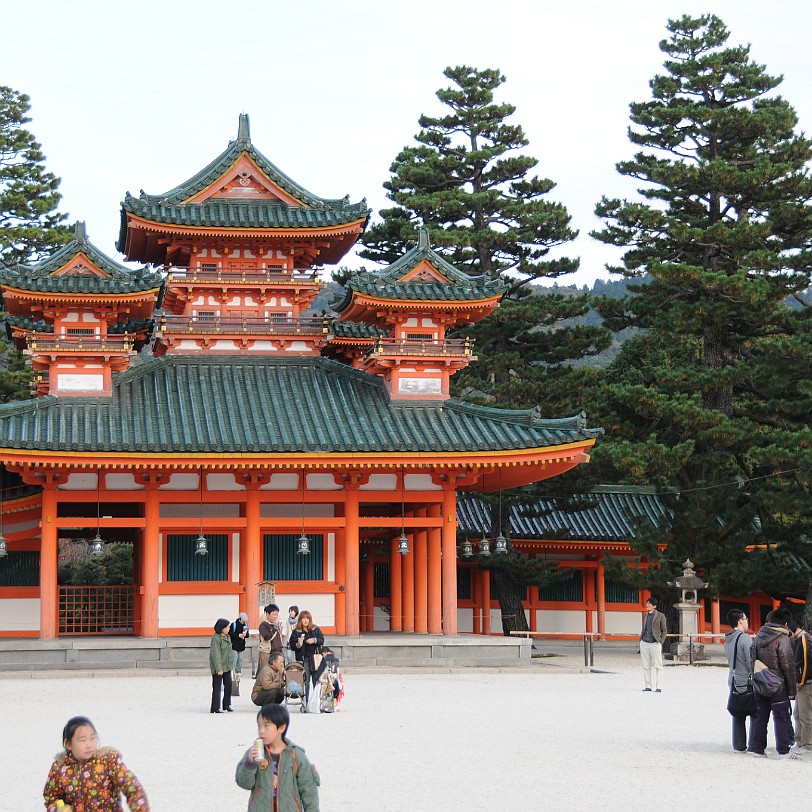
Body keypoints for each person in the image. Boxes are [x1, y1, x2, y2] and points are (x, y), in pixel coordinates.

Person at [43, 715, 150, 811]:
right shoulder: (60, 768)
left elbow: (133, 788)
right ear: (68, 744)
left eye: (92, 738)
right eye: (82, 740)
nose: (89, 745)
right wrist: (59, 808)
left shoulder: (108, 761)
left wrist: (140, 808)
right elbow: (51, 797)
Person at [235, 703, 320, 811]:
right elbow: (244, 784)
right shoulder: (254, 753)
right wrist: (250, 764)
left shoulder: (296, 755)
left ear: (281, 727)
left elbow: (309, 791)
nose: (261, 731)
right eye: (259, 725)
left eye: (266, 726)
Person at [748, 605, 798, 758]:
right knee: (781, 717)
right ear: (786, 624)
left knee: (760, 717)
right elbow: (788, 667)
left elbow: (751, 661)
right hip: (778, 685)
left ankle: (757, 748)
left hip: (760, 682)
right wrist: (791, 691)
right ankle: (783, 750)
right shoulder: (782, 639)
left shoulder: (757, 636)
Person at [724, 608, 752, 752]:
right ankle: (754, 743)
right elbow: (750, 662)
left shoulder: (728, 639)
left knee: (738, 713)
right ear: (740, 620)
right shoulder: (745, 639)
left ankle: (739, 744)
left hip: (733, 679)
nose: (747, 622)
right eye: (746, 619)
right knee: (755, 712)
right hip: (746, 680)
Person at [289, 610, 324, 700]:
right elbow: (292, 645)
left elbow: (322, 639)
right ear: (300, 620)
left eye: (307, 618)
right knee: (306, 680)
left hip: (315, 658)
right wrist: (299, 644)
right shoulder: (296, 632)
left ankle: (316, 700)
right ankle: (307, 701)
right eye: (303, 618)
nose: (305, 620)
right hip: (304, 659)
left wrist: (314, 640)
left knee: (316, 680)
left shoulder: (315, 629)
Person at [790, 621, 812, 756]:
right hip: (802, 683)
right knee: (798, 714)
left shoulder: (804, 638)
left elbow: (806, 663)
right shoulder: (801, 638)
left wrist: (800, 681)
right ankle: (799, 741)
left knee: (806, 715)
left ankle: (808, 744)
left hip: (806, 683)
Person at [639, 596, 667, 692]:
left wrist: (660, 641)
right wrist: (641, 639)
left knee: (658, 665)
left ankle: (659, 686)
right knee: (646, 665)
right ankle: (648, 686)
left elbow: (664, 630)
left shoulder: (660, 616)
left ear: (654, 606)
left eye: (649, 604)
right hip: (644, 642)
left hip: (655, 642)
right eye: (647, 603)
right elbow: (644, 628)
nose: (647, 605)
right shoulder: (645, 616)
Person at [210, 617, 234, 714]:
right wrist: (219, 668)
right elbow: (216, 654)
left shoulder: (227, 637)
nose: (229, 629)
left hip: (227, 666)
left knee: (228, 685)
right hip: (218, 667)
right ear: (222, 628)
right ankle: (215, 707)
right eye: (227, 627)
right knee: (217, 687)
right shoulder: (216, 638)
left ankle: (226, 704)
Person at [258, 603, 283, 675]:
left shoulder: (276, 625)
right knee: (266, 673)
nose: (275, 617)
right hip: (267, 652)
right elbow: (267, 637)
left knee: (278, 673)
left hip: (277, 652)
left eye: (277, 615)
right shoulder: (263, 625)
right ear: (267, 614)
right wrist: (274, 629)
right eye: (273, 614)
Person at [230, 612, 250, 677]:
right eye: (243, 620)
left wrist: (245, 635)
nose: (244, 622)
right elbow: (231, 633)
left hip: (242, 644)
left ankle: (238, 671)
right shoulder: (234, 624)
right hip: (234, 644)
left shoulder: (246, 625)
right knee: (234, 659)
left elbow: (247, 635)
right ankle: (233, 671)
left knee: (240, 659)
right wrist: (238, 635)